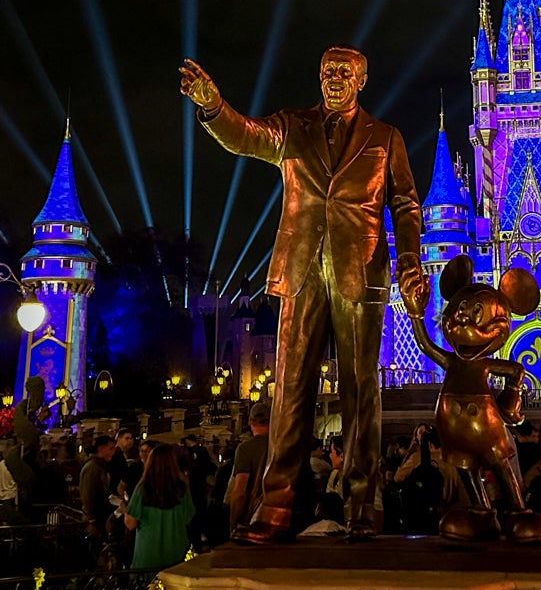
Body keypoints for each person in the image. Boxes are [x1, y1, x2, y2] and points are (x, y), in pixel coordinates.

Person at [182, 47, 427, 542]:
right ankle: (276, 503)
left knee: (362, 391)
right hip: (301, 270)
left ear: (362, 79)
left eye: (344, 72)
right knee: (291, 388)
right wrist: (213, 107)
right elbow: (246, 136)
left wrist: (409, 263)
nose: (334, 79)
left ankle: (363, 503)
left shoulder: (386, 139)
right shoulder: (294, 127)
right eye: (326, 72)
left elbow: (405, 203)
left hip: (361, 270)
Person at [125, 443, 196, 572]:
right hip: (177, 552)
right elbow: (188, 518)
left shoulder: (143, 488)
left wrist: (124, 509)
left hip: (148, 554)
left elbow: (131, 523)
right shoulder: (182, 489)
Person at [223, 404, 270, 534]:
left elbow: (240, 491)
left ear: (250, 422)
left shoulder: (245, 449)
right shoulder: (279, 447)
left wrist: (232, 525)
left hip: (252, 518)